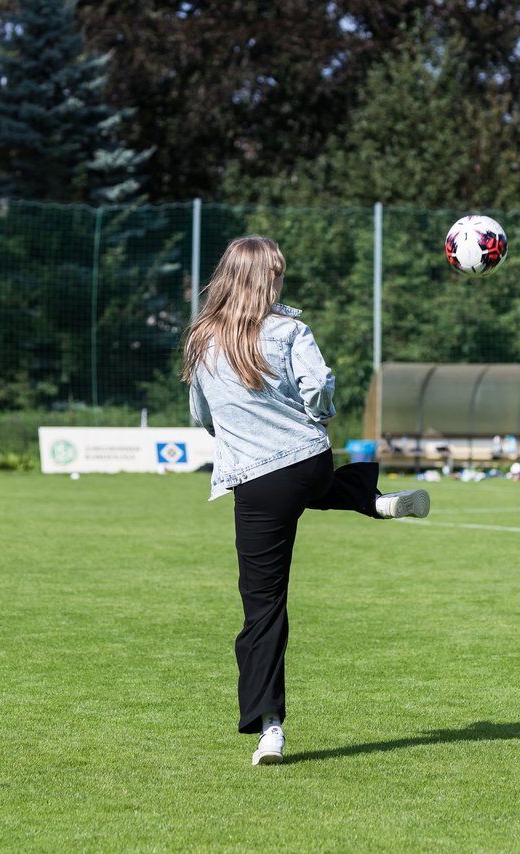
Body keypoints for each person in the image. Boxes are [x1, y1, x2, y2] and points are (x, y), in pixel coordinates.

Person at [182, 235, 430, 767]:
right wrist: (319, 416)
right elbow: (319, 386)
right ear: (268, 279)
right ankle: (372, 500)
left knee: (263, 607)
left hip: (256, 481)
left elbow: (201, 417)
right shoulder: (291, 329)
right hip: (310, 461)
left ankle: (270, 727)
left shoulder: (202, 340)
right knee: (317, 487)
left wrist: (238, 430)